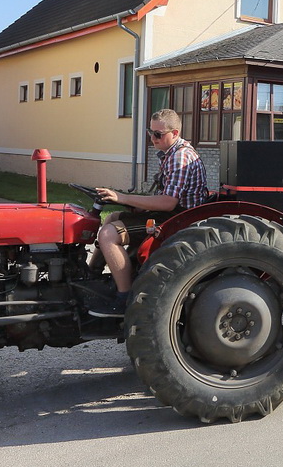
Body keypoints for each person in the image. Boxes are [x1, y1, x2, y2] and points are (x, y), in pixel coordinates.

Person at [88, 108, 209, 316]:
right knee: (112, 218)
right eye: (150, 132)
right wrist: (133, 204)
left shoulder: (180, 157)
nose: (153, 138)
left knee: (108, 235)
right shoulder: (172, 153)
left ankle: (124, 298)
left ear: (175, 133)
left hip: (178, 218)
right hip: (174, 213)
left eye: (158, 134)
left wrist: (122, 198)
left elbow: (168, 202)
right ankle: (92, 277)